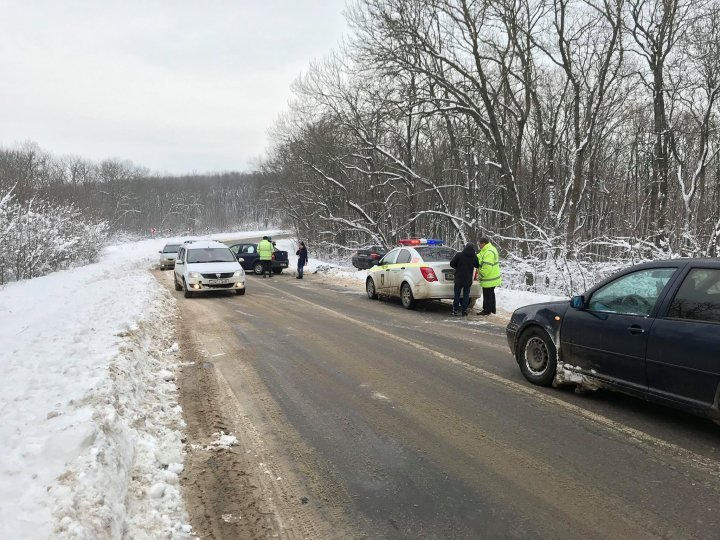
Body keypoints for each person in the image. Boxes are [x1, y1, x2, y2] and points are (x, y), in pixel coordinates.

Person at [449, 243, 480, 316]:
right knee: (466, 295)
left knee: (457, 294)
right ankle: (464, 311)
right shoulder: (474, 256)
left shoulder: (459, 255)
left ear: (465, 247)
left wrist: (458, 267)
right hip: (468, 279)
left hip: (458, 278)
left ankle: (455, 310)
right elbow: (477, 265)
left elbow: (451, 264)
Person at [476, 236, 502, 315]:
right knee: (490, 294)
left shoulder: (489, 252)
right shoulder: (486, 249)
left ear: (483, 243)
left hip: (489, 278)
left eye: (479, 244)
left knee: (488, 295)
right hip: (491, 277)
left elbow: (487, 267)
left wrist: (480, 275)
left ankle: (487, 310)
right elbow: (479, 256)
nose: (479, 246)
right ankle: (492, 310)